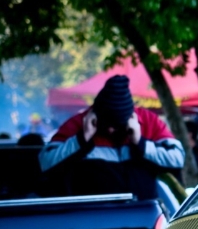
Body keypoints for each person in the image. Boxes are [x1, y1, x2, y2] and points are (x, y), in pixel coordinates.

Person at [39, 75, 185, 199]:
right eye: (105, 122)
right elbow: (46, 162)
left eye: (116, 124)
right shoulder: (79, 124)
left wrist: (140, 143)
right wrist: (82, 139)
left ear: (130, 118)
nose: (110, 129)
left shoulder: (148, 121)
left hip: (143, 215)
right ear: (94, 115)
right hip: (95, 218)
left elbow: (177, 158)